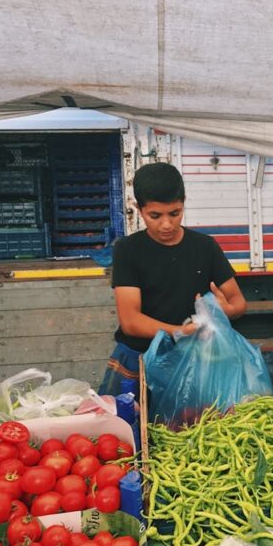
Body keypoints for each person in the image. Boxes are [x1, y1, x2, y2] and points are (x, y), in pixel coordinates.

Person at [98, 162, 247, 395]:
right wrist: (179, 331)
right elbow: (130, 321)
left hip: (195, 360)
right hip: (139, 359)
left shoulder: (205, 247)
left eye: (174, 213)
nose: (166, 224)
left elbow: (238, 301)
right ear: (139, 208)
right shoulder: (127, 250)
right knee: (129, 427)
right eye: (155, 216)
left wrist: (224, 311)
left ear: (183, 203)